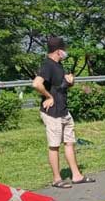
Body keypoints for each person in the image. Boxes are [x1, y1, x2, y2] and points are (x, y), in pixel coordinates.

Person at [32, 36, 95, 189]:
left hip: (63, 110)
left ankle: (77, 176)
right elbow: (36, 84)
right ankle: (56, 179)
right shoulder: (48, 65)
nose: (65, 52)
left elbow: (59, 86)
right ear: (58, 51)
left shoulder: (58, 65)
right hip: (52, 113)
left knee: (69, 142)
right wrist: (49, 97)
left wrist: (69, 82)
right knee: (54, 145)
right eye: (64, 49)